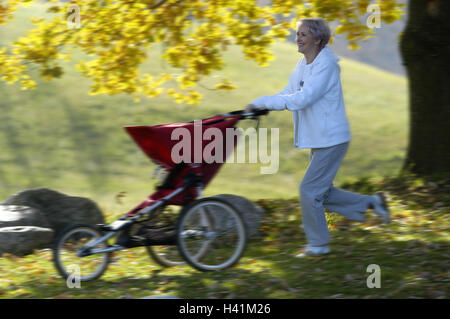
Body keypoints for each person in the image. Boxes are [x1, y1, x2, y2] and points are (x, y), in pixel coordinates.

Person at [245, 18, 390, 258]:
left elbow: (303, 98)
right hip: (320, 138)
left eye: (303, 34)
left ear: (318, 39)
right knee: (321, 191)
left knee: (309, 191)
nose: (298, 38)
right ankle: (372, 203)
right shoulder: (303, 64)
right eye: (297, 34)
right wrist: (261, 103)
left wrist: (266, 103)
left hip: (332, 138)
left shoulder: (327, 65)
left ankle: (318, 245)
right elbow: (289, 93)